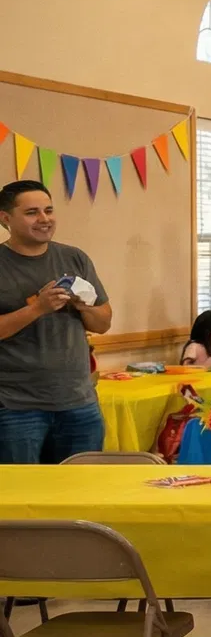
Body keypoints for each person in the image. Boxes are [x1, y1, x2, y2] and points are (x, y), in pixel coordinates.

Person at [0, 180, 113, 464]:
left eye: (49, 210)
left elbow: (103, 323)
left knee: (82, 494)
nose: (44, 219)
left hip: (80, 403)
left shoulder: (74, 257)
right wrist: (38, 308)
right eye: (32, 212)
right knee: (22, 500)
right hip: (15, 407)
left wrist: (80, 305)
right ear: (5, 218)